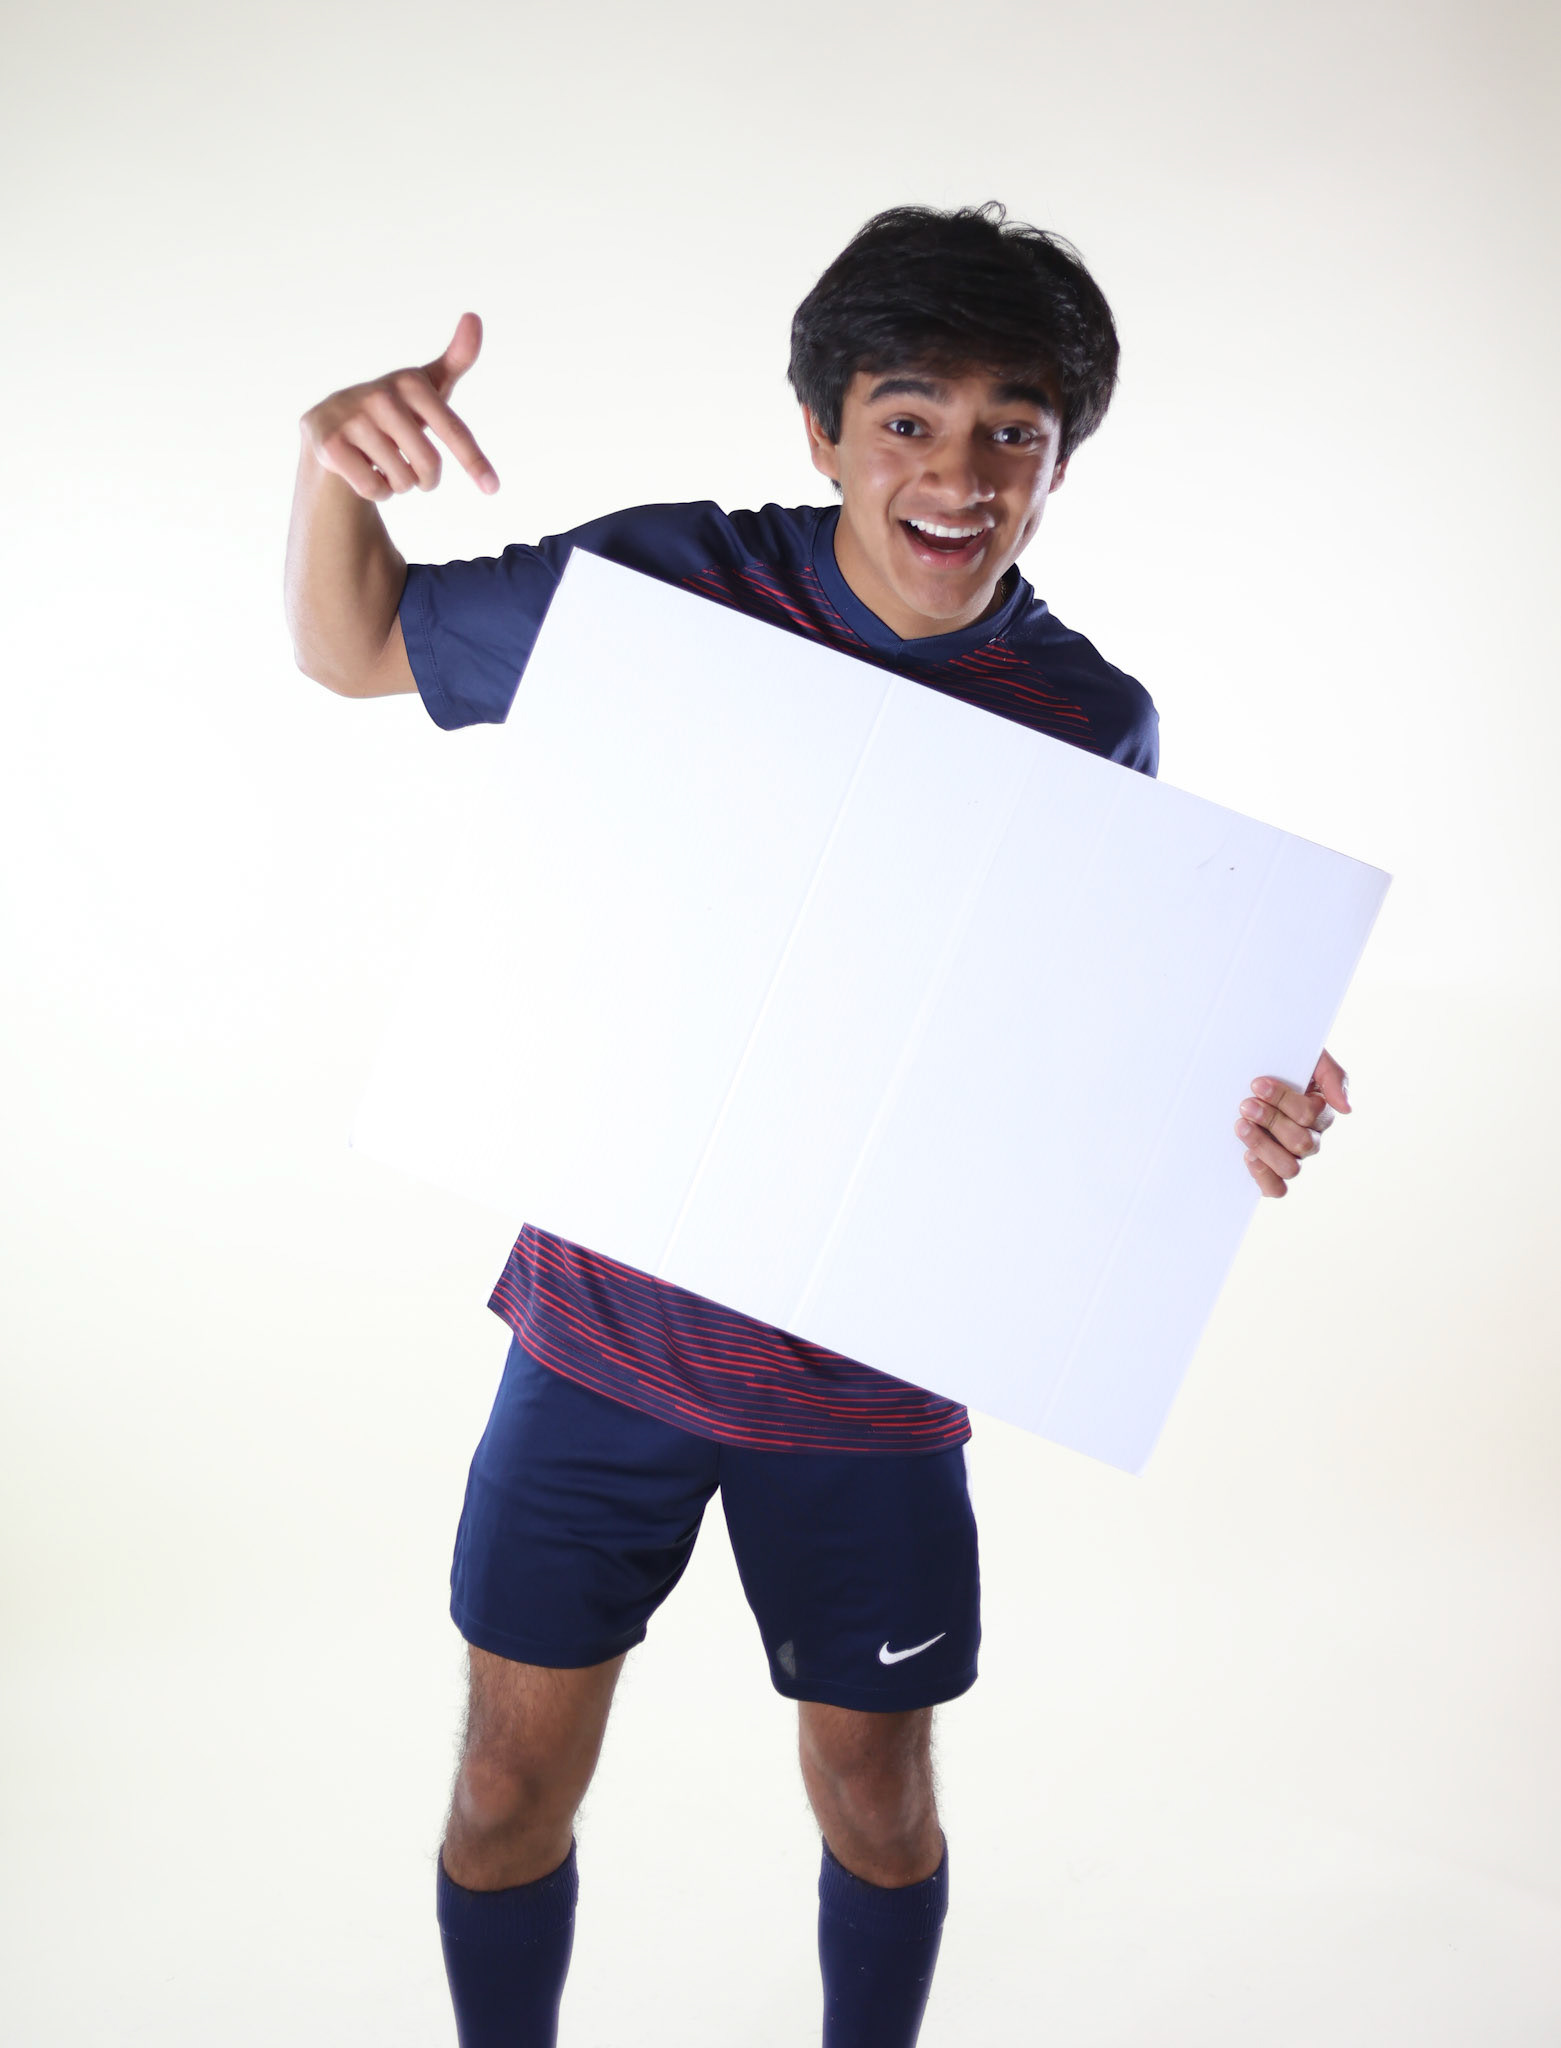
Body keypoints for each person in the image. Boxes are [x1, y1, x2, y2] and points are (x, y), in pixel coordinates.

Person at [284, 203, 1350, 2047]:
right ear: (824, 430)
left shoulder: (1088, 721)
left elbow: (1064, 1067)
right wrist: (327, 465)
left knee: (876, 1802)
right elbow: (358, 645)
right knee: (500, 1797)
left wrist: (1240, 1113)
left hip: (866, 1389)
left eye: (1013, 429)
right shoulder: (672, 588)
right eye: (908, 415)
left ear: (1061, 461)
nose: (956, 471)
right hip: (600, 1345)